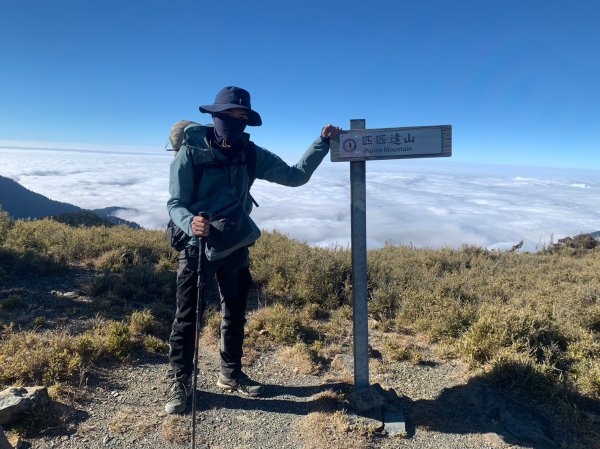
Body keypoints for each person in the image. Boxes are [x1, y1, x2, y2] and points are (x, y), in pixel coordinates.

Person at [165, 86, 341, 414]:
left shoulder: (250, 153)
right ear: (215, 116)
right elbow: (175, 203)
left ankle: (230, 374)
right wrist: (191, 223)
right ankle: (180, 381)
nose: (235, 121)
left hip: (234, 243)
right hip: (197, 247)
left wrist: (322, 142)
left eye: (241, 116)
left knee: (234, 313)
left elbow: (295, 176)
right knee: (188, 318)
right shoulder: (190, 152)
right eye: (229, 115)